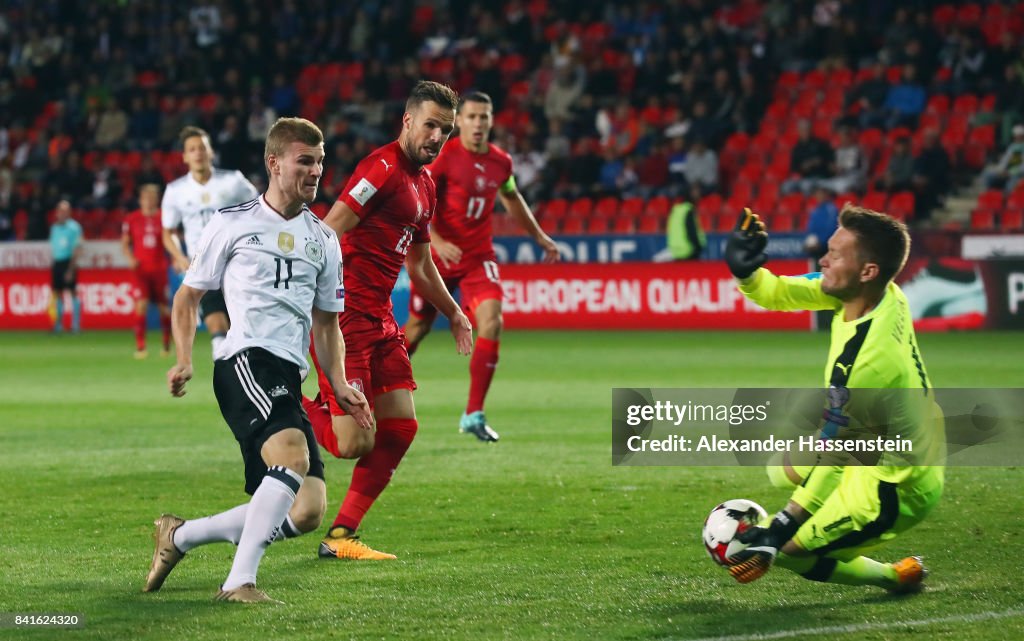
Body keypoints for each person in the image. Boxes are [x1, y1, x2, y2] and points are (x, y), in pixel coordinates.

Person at [143, 117, 372, 603]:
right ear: (274, 163)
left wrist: (342, 382)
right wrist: (185, 358)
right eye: (304, 161)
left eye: (321, 161)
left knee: (307, 509)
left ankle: (179, 536)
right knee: (290, 455)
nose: (316, 171)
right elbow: (187, 299)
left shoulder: (324, 240)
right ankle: (238, 583)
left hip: (288, 371)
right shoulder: (232, 222)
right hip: (243, 357)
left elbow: (327, 325)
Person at [722, 206, 944, 592]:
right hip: (884, 435)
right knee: (781, 468)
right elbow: (782, 292)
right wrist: (748, 275)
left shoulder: (867, 362)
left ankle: (896, 576)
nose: (823, 260)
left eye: (835, 256)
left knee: (791, 551)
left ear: (867, 271)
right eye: (828, 249)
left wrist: (781, 526)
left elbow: (837, 456)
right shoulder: (875, 293)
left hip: (895, 484)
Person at [303, 80, 473, 560]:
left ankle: (341, 537)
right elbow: (329, 229)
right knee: (354, 442)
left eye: (446, 130)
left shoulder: (424, 184)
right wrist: (309, 303)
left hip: (381, 320)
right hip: (346, 319)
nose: (437, 137)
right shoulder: (380, 169)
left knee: (399, 428)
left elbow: (420, 266)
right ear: (407, 121)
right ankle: (292, 409)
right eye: (430, 125)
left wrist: (454, 313)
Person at [402, 91, 559, 442]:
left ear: (491, 121)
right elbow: (419, 197)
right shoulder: (445, 158)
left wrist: (539, 236)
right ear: (458, 121)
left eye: (484, 117)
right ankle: (373, 387)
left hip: (477, 257)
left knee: (492, 320)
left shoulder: (501, 162)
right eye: (471, 117)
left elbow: (511, 197)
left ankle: (474, 413)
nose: (478, 124)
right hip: (436, 257)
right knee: (416, 329)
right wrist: (437, 239)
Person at [161, 126, 259, 356]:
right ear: (185, 156)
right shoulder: (176, 191)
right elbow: (169, 231)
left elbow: (259, 209)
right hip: (202, 262)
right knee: (215, 319)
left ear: (211, 152)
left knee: (244, 324)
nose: (198, 153)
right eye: (192, 149)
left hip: (237, 260)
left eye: (202, 148)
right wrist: (179, 256)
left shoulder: (233, 181)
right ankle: (222, 359)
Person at [121, 184, 171, 358]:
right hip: (141, 270)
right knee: (141, 305)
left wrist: (176, 258)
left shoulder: (164, 218)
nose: (149, 201)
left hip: (159, 269)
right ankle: (141, 346)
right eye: (146, 198)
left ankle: (166, 344)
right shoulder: (132, 219)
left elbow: (169, 241)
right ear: (140, 200)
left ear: (157, 200)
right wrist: (130, 259)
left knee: (164, 308)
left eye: (152, 197)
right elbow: (125, 243)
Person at [49, 199, 83, 334]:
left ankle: (75, 325)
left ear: (69, 212)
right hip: (57, 262)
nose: (62, 213)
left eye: (65, 210)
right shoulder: (54, 228)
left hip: (69, 262)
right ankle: (58, 325)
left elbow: (77, 248)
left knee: (73, 292)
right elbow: (54, 247)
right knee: (57, 293)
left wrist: (71, 268)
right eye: (60, 210)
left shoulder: (75, 227)